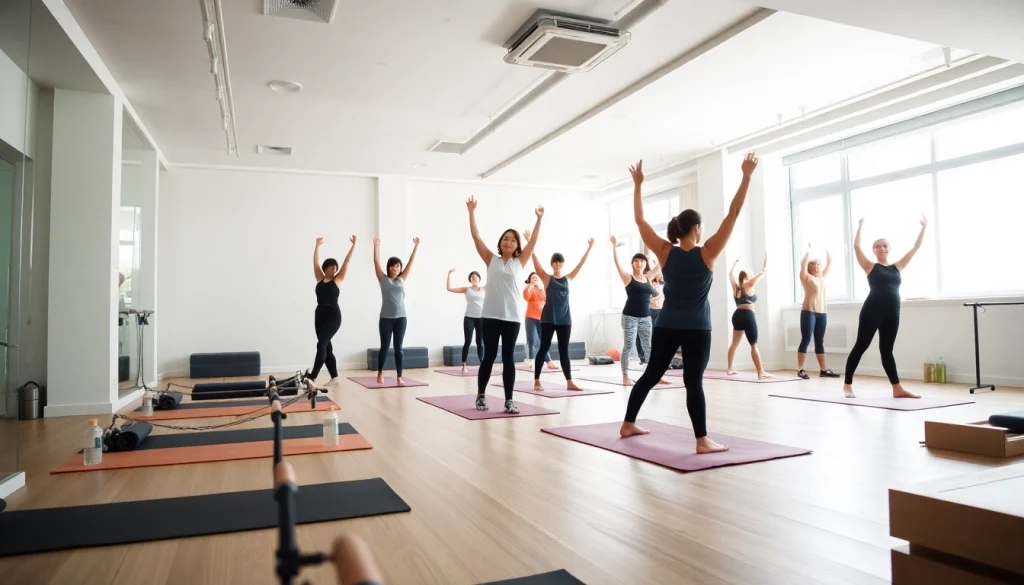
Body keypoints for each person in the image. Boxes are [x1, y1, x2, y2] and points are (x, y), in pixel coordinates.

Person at [621, 153, 759, 454]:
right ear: (696, 228)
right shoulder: (707, 253)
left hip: (667, 325)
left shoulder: (665, 252)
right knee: (693, 381)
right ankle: (701, 441)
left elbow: (640, 221)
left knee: (650, 375)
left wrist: (638, 185)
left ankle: (628, 422)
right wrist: (746, 176)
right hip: (697, 328)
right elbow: (734, 213)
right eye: (702, 226)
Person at [466, 195, 544, 414]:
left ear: (517, 245)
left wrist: (538, 219)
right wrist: (471, 211)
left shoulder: (521, 262)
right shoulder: (491, 259)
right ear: (500, 243)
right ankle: (481, 395)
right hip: (490, 316)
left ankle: (509, 400)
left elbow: (534, 241)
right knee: (489, 356)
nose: (508, 242)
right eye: (505, 239)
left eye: (512, 239)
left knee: (508, 359)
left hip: (512, 318)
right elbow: (475, 236)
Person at [843, 216, 927, 399]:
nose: (882, 248)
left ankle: (897, 389)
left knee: (887, 350)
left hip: (893, 313)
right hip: (871, 311)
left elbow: (915, 248)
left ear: (889, 249)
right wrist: (860, 226)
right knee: (861, 345)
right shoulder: (870, 266)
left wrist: (923, 228)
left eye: (885, 245)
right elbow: (856, 247)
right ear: (873, 250)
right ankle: (847, 385)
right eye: (878, 246)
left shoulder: (897, 267)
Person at [522, 232, 593, 390]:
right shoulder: (547, 278)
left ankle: (569, 382)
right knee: (544, 347)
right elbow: (536, 264)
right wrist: (529, 243)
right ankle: (537, 380)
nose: (557, 264)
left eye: (560, 262)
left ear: (562, 263)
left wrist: (589, 248)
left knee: (563, 351)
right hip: (548, 318)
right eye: (555, 262)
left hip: (565, 319)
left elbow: (580, 264)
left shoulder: (568, 278)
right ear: (552, 264)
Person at [610, 238, 669, 386]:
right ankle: (625, 375)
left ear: (645, 264)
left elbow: (661, 265)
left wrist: (664, 249)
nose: (640, 263)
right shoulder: (628, 278)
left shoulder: (648, 278)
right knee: (629, 345)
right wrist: (614, 248)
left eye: (642, 261)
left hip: (645, 317)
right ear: (632, 264)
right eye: (636, 261)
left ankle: (655, 376)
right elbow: (617, 265)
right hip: (629, 316)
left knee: (648, 346)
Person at [373, 237, 420, 386]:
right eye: (394, 266)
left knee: (399, 348)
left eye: (398, 266)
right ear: (389, 268)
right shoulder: (383, 279)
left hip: (401, 318)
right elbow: (375, 262)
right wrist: (376, 246)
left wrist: (416, 246)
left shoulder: (401, 279)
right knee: (385, 347)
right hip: (386, 318)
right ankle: (380, 372)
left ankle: (399, 376)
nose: (396, 268)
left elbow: (411, 263)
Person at [311, 236, 356, 385]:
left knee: (321, 345)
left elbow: (347, 262)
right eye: (331, 266)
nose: (334, 268)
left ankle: (313, 377)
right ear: (325, 268)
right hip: (319, 315)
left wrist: (353, 245)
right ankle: (335, 377)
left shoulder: (338, 279)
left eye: (335, 266)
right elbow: (315, 262)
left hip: (333, 316)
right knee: (327, 347)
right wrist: (317, 246)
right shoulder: (320, 278)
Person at [797, 245, 840, 379]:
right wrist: (808, 252)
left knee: (819, 341)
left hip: (822, 313)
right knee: (806, 339)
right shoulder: (806, 277)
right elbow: (803, 265)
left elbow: (830, 263)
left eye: (817, 265)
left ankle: (823, 370)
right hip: (808, 311)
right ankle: (800, 370)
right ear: (809, 268)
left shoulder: (821, 277)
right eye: (812, 265)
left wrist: (827, 250)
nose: (815, 267)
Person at [725, 254, 771, 378]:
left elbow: (730, 273)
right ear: (747, 276)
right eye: (750, 273)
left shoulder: (736, 287)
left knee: (734, 343)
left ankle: (729, 369)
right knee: (754, 344)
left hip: (737, 316)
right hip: (748, 316)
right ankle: (760, 372)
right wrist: (766, 262)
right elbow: (763, 272)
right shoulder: (748, 285)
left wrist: (735, 263)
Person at [447, 268, 486, 373]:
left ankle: (482, 363)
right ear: (470, 279)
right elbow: (449, 288)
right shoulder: (466, 289)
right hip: (469, 317)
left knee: (479, 342)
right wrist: (449, 274)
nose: (473, 277)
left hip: (481, 318)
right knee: (468, 341)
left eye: (475, 276)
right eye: (472, 276)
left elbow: (495, 282)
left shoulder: (484, 289)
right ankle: (464, 364)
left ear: (479, 278)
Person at [523, 272, 557, 369]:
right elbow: (526, 297)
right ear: (529, 280)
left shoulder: (542, 290)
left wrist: (541, 288)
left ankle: (549, 361)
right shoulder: (528, 289)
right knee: (531, 340)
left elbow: (547, 300)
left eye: (536, 278)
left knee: (544, 341)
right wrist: (530, 285)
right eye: (533, 278)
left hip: (542, 319)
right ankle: (532, 360)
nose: (535, 279)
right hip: (530, 318)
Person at [636, 268, 663, 365]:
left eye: (660, 274)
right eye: (658, 274)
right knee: (647, 334)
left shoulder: (662, 285)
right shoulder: (648, 285)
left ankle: (658, 357)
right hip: (650, 311)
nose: (660, 275)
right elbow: (652, 297)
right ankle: (644, 356)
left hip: (661, 310)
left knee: (659, 335)